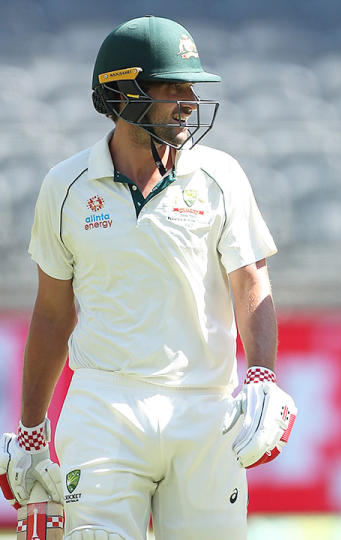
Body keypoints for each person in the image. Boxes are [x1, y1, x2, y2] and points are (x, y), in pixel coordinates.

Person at [0, 16, 296, 540]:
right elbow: (51, 313)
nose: (188, 100)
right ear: (123, 93)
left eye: (191, 87)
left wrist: (263, 375)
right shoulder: (64, 186)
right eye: (172, 86)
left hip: (206, 405)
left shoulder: (219, 176)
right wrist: (30, 429)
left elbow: (251, 282)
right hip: (103, 404)